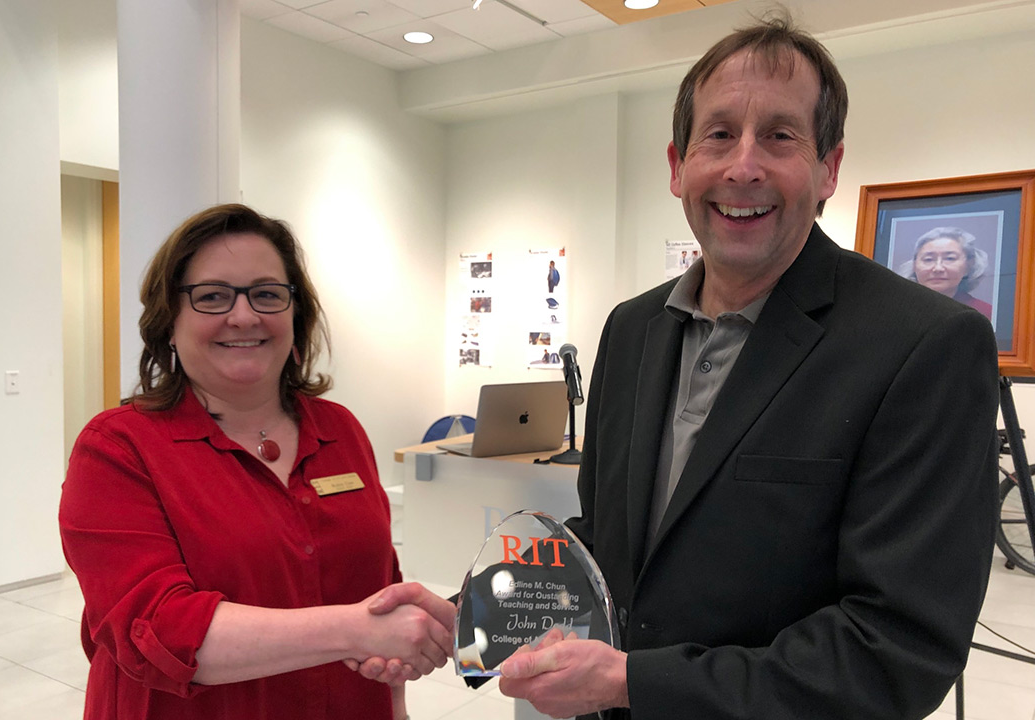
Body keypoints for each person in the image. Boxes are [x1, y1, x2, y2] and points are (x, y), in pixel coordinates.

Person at [486, 11, 998, 720]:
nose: (743, 166)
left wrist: (635, 683)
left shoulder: (923, 344)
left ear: (829, 168)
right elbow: (613, 543)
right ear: (678, 165)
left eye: (780, 136)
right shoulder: (631, 329)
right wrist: (472, 608)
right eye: (719, 134)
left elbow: (894, 650)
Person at [59, 203, 454, 720]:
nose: (243, 316)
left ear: (296, 316)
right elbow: (159, 630)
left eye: (267, 294)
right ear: (169, 324)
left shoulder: (339, 429)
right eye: (212, 296)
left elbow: (378, 588)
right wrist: (354, 629)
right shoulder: (117, 449)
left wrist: (396, 693)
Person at [897, 226, 993, 320]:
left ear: (969, 265)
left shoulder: (985, 314)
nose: (938, 268)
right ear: (914, 266)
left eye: (949, 258)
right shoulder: (896, 310)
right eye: (928, 259)